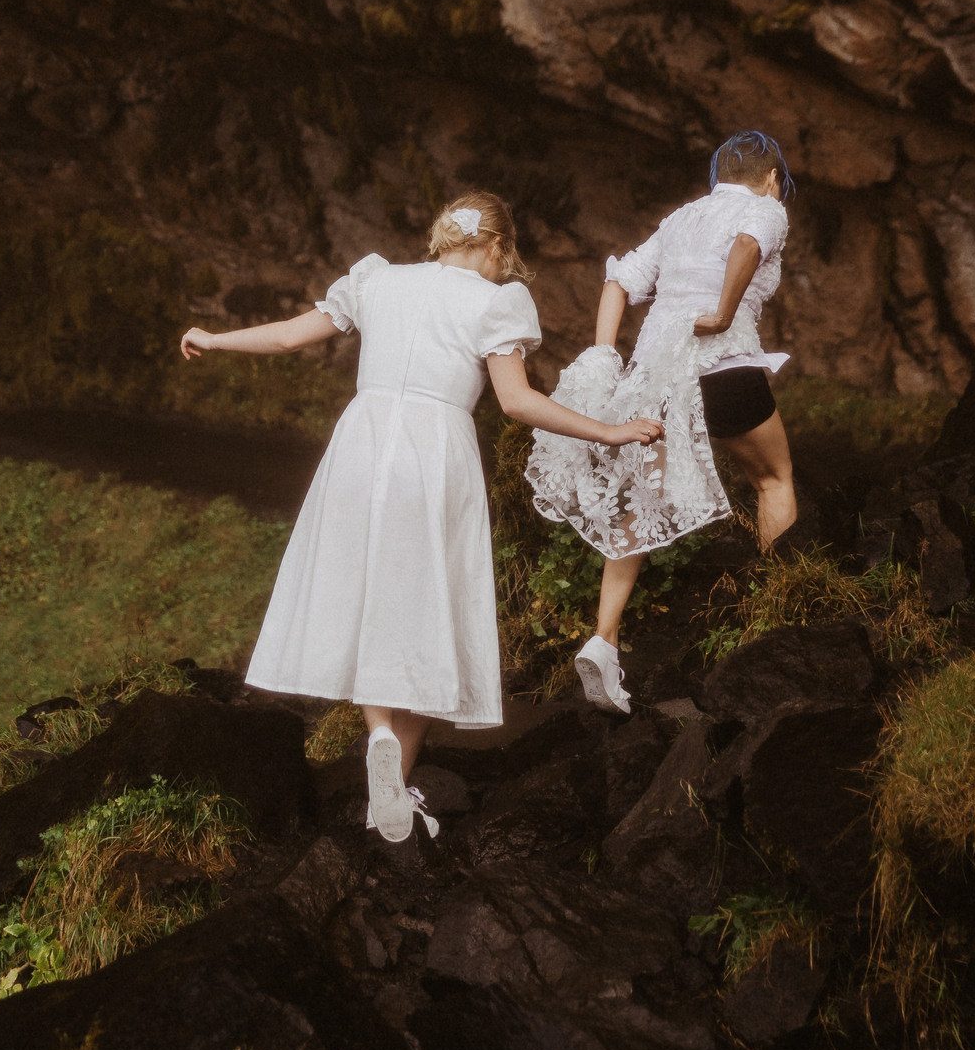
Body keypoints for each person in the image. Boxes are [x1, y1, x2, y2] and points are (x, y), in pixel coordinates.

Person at [180, 193, 662, 843]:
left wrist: (214, 337)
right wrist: (607, 431)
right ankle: (394, 774)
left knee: (371, 600)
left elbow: (291, 334)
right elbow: (516, 401)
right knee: (426, 610)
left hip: (361, 444)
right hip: (435, 453)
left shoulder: (378, 279)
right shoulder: (498, 301)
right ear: (498, 246)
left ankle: (381, 744)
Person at [524, 131, 799, 715]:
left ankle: (604, 639)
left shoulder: (680, 220)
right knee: (772, 479)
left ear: (718, 175)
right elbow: (748, 244)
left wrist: (605, 352)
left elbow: (619, 280)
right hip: (720, 369)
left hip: (654, 380)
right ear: (772, 178)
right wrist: (721, 314)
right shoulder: (765, 208)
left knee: (636, 505)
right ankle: (776, 613)